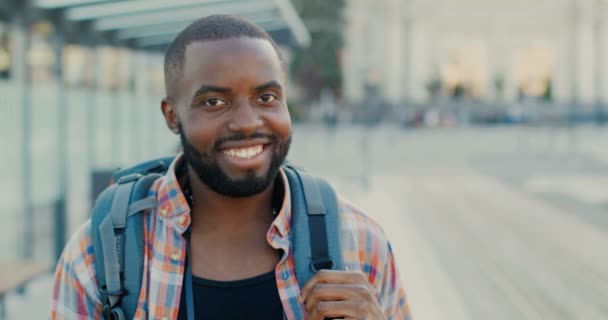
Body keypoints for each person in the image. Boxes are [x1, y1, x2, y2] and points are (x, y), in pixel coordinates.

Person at [50, 15, 410, 320]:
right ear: (172, 116)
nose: (247, 122)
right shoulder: (100, 255)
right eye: (214, 101)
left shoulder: (359, 243)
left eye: (266, 98)